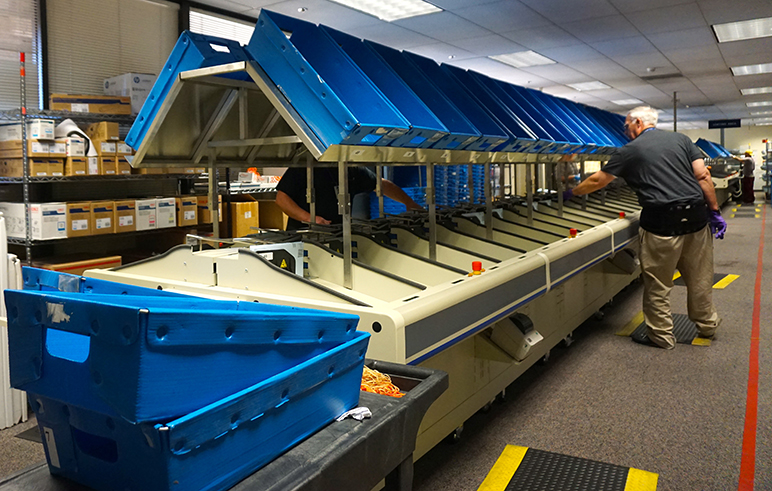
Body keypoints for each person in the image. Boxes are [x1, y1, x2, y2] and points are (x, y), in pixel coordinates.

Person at [562, 106, 726, 349]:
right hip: (696, 220)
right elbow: (702, 177)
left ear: (638, 122)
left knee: (658, 284)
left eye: (627, 125)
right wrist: (714, 211)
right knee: (700, 278)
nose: (626, 131)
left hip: (661, 223)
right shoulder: (682, 139)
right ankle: (707, 325)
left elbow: (599, 180)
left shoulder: (630, 150)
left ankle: (661, 336)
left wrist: (570, 192)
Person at [275, 166, 423, 230]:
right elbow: (282, 199)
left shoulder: (351, 170)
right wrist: (310, 218)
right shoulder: (305, 166)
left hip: (338, 235)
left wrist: (409, 202)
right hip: (304, 235)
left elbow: (381, 185)